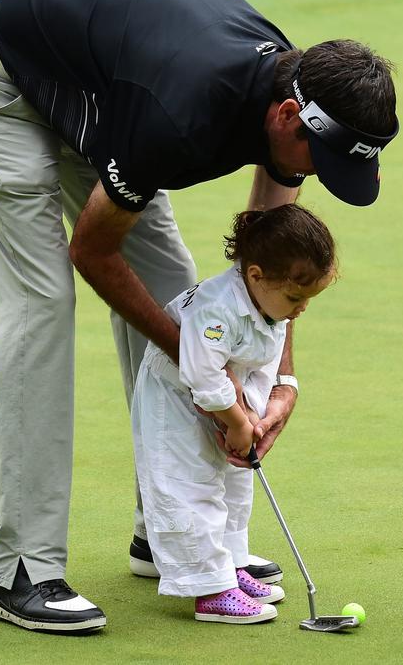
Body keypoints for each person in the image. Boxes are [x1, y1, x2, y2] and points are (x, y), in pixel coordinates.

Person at [0, 0, 398, 632]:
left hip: (104, 94)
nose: (314, 177)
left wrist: (279, 380)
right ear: (290, 114)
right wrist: (209, 377)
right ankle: (18, 569)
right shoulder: (181, 115)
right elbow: (92, 251)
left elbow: (273, 262)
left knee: (180, 297)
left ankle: (172, 536)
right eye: (316, 162)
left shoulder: (290, 94)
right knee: (42, 306)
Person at [133, 204, 335, 623]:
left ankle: (230, 565)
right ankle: (209, 589)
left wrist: (252, 420)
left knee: (236, 481)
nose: (300, 310)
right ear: (256, 275)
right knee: (191, 484)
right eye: (295, 298)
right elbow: (204, 378)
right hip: (174, 396)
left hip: (225, 398)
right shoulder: (216, 310)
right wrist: (239, 422)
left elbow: (258, 363)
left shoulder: (268, 300)